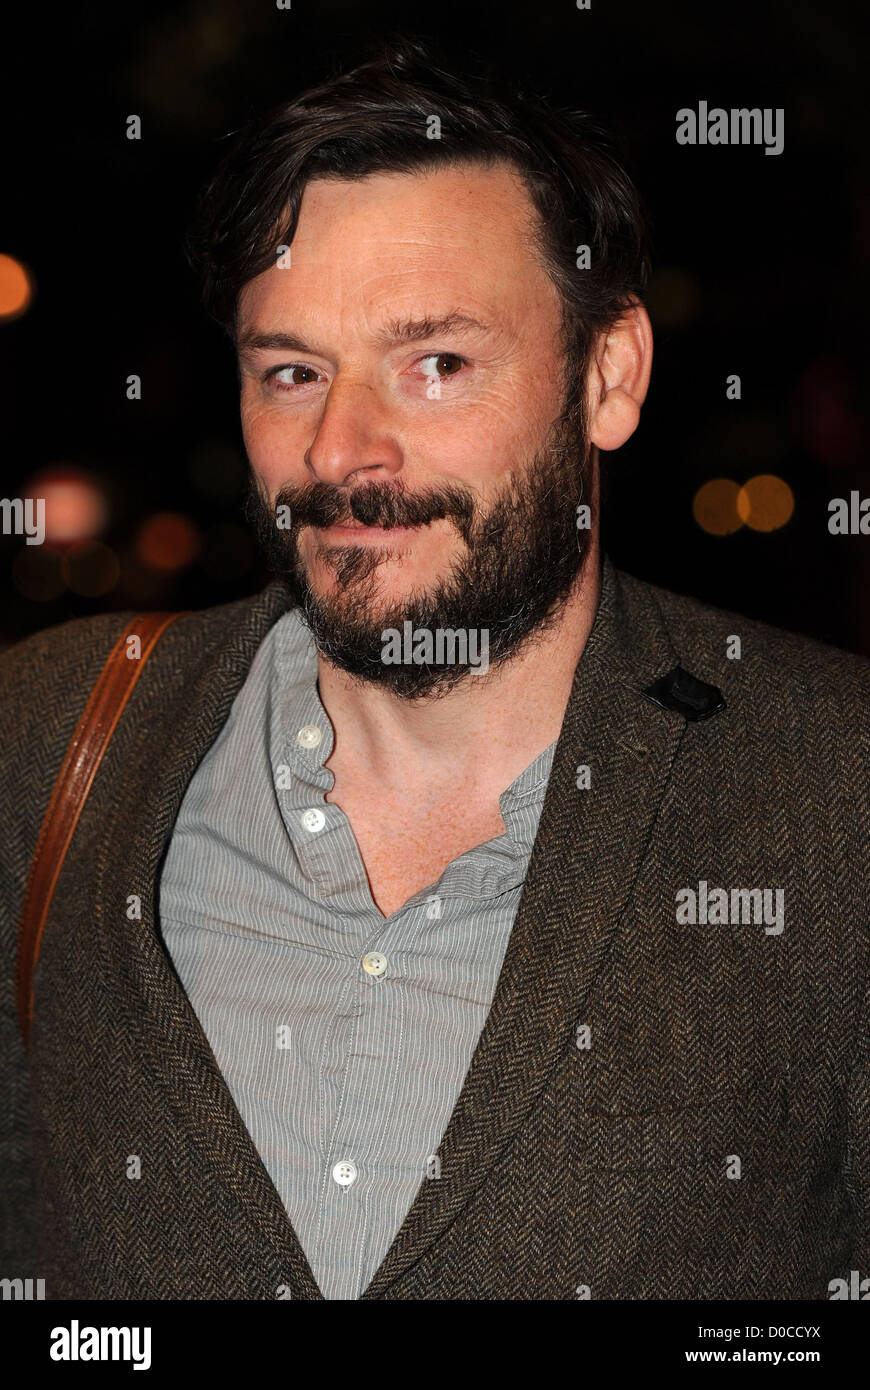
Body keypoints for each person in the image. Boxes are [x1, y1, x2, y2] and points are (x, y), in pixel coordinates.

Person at [1, 39, 868, 1302]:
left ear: (606, 376)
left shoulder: (836, 792)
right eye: (292, 371)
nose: (344, 448)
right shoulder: (43, 740)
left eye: (436, 364)